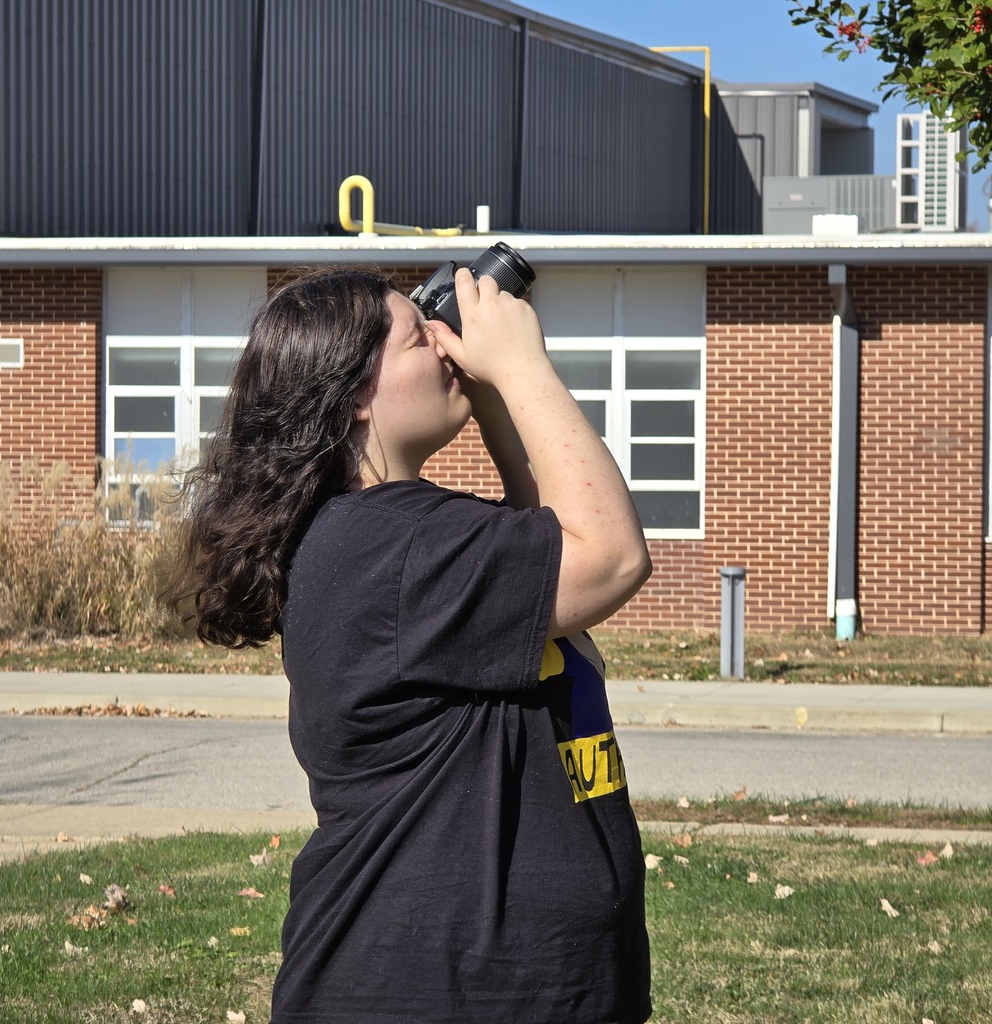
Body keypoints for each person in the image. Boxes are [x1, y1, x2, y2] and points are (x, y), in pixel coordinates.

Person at [167, 261, 654, 1024]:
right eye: (419, 335)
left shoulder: (399, 538)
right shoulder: (388, 548)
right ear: (358, 395)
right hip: (428, 991)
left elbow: (556, 550)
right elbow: (609, 556)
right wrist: (523, 367)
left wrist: (494, 398)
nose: (445, 342)